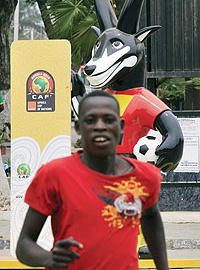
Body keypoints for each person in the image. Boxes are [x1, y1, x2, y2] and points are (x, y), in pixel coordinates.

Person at [16, 90, 169, 270]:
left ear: (120, 126)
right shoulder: (54, 175)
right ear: (79, 128)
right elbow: (24, 245)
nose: (100, 126)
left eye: (108, 119)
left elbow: (151, 218)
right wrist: (48, 258)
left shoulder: (145, 176)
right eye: (90, 120)